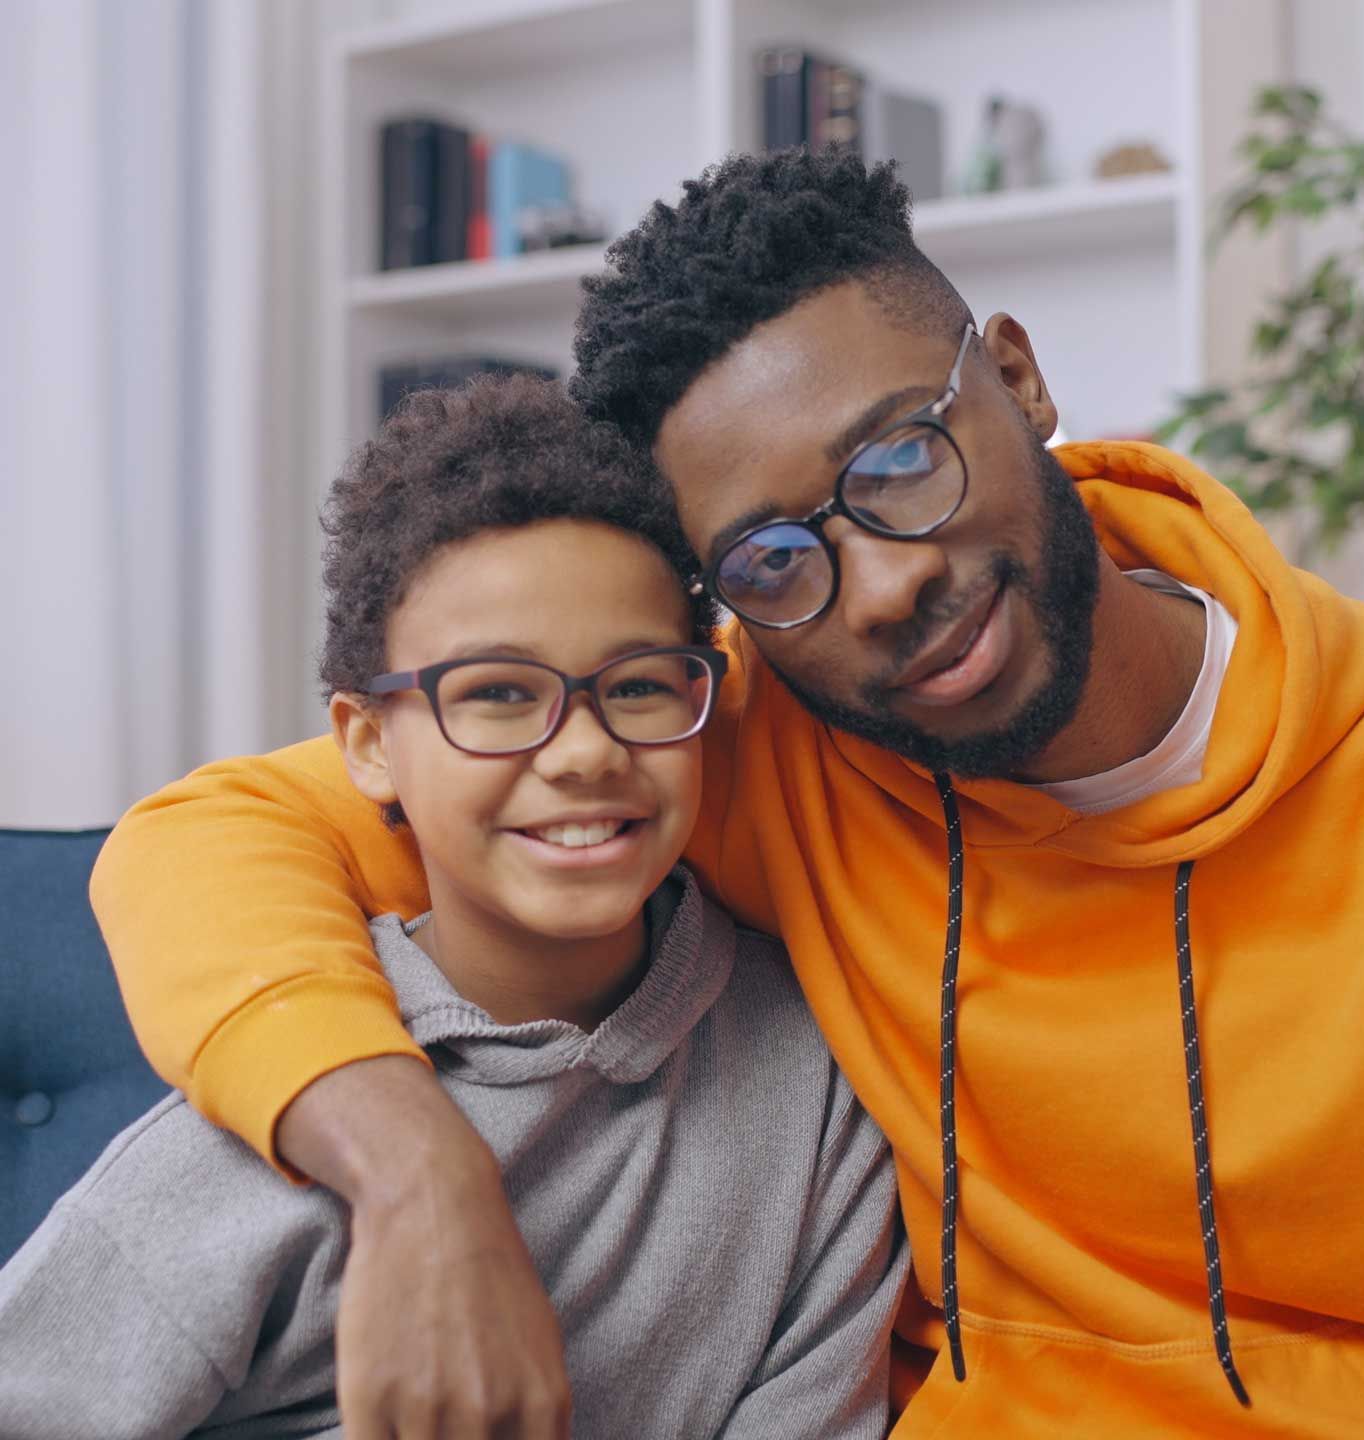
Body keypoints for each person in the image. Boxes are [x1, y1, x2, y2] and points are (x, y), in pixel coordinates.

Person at [91, 149, 1364, 1438]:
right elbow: (204, 838)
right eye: (775, 558)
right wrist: (416, 1176)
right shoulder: (720, 745)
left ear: (1020, 381)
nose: (885, 587)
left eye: (905, 460)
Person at [0, 376, 908, 1440]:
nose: (582, 752)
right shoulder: (262, 1140)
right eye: (496, 693)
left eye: (642, 685)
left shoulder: (819, 1085)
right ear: (368, 745)